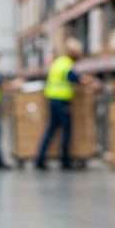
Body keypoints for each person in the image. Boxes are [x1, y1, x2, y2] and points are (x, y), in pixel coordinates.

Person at [35, 37, 93, 170]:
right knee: (67, 130)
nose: (79, 56)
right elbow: (73, 77)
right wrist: (87, 81)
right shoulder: (66, 63)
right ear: (72, 52)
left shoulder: (58, 62)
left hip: (53, 99)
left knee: (51, 129)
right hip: (61, 101)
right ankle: (65, 161)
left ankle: (40, 159)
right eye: (77, 53)